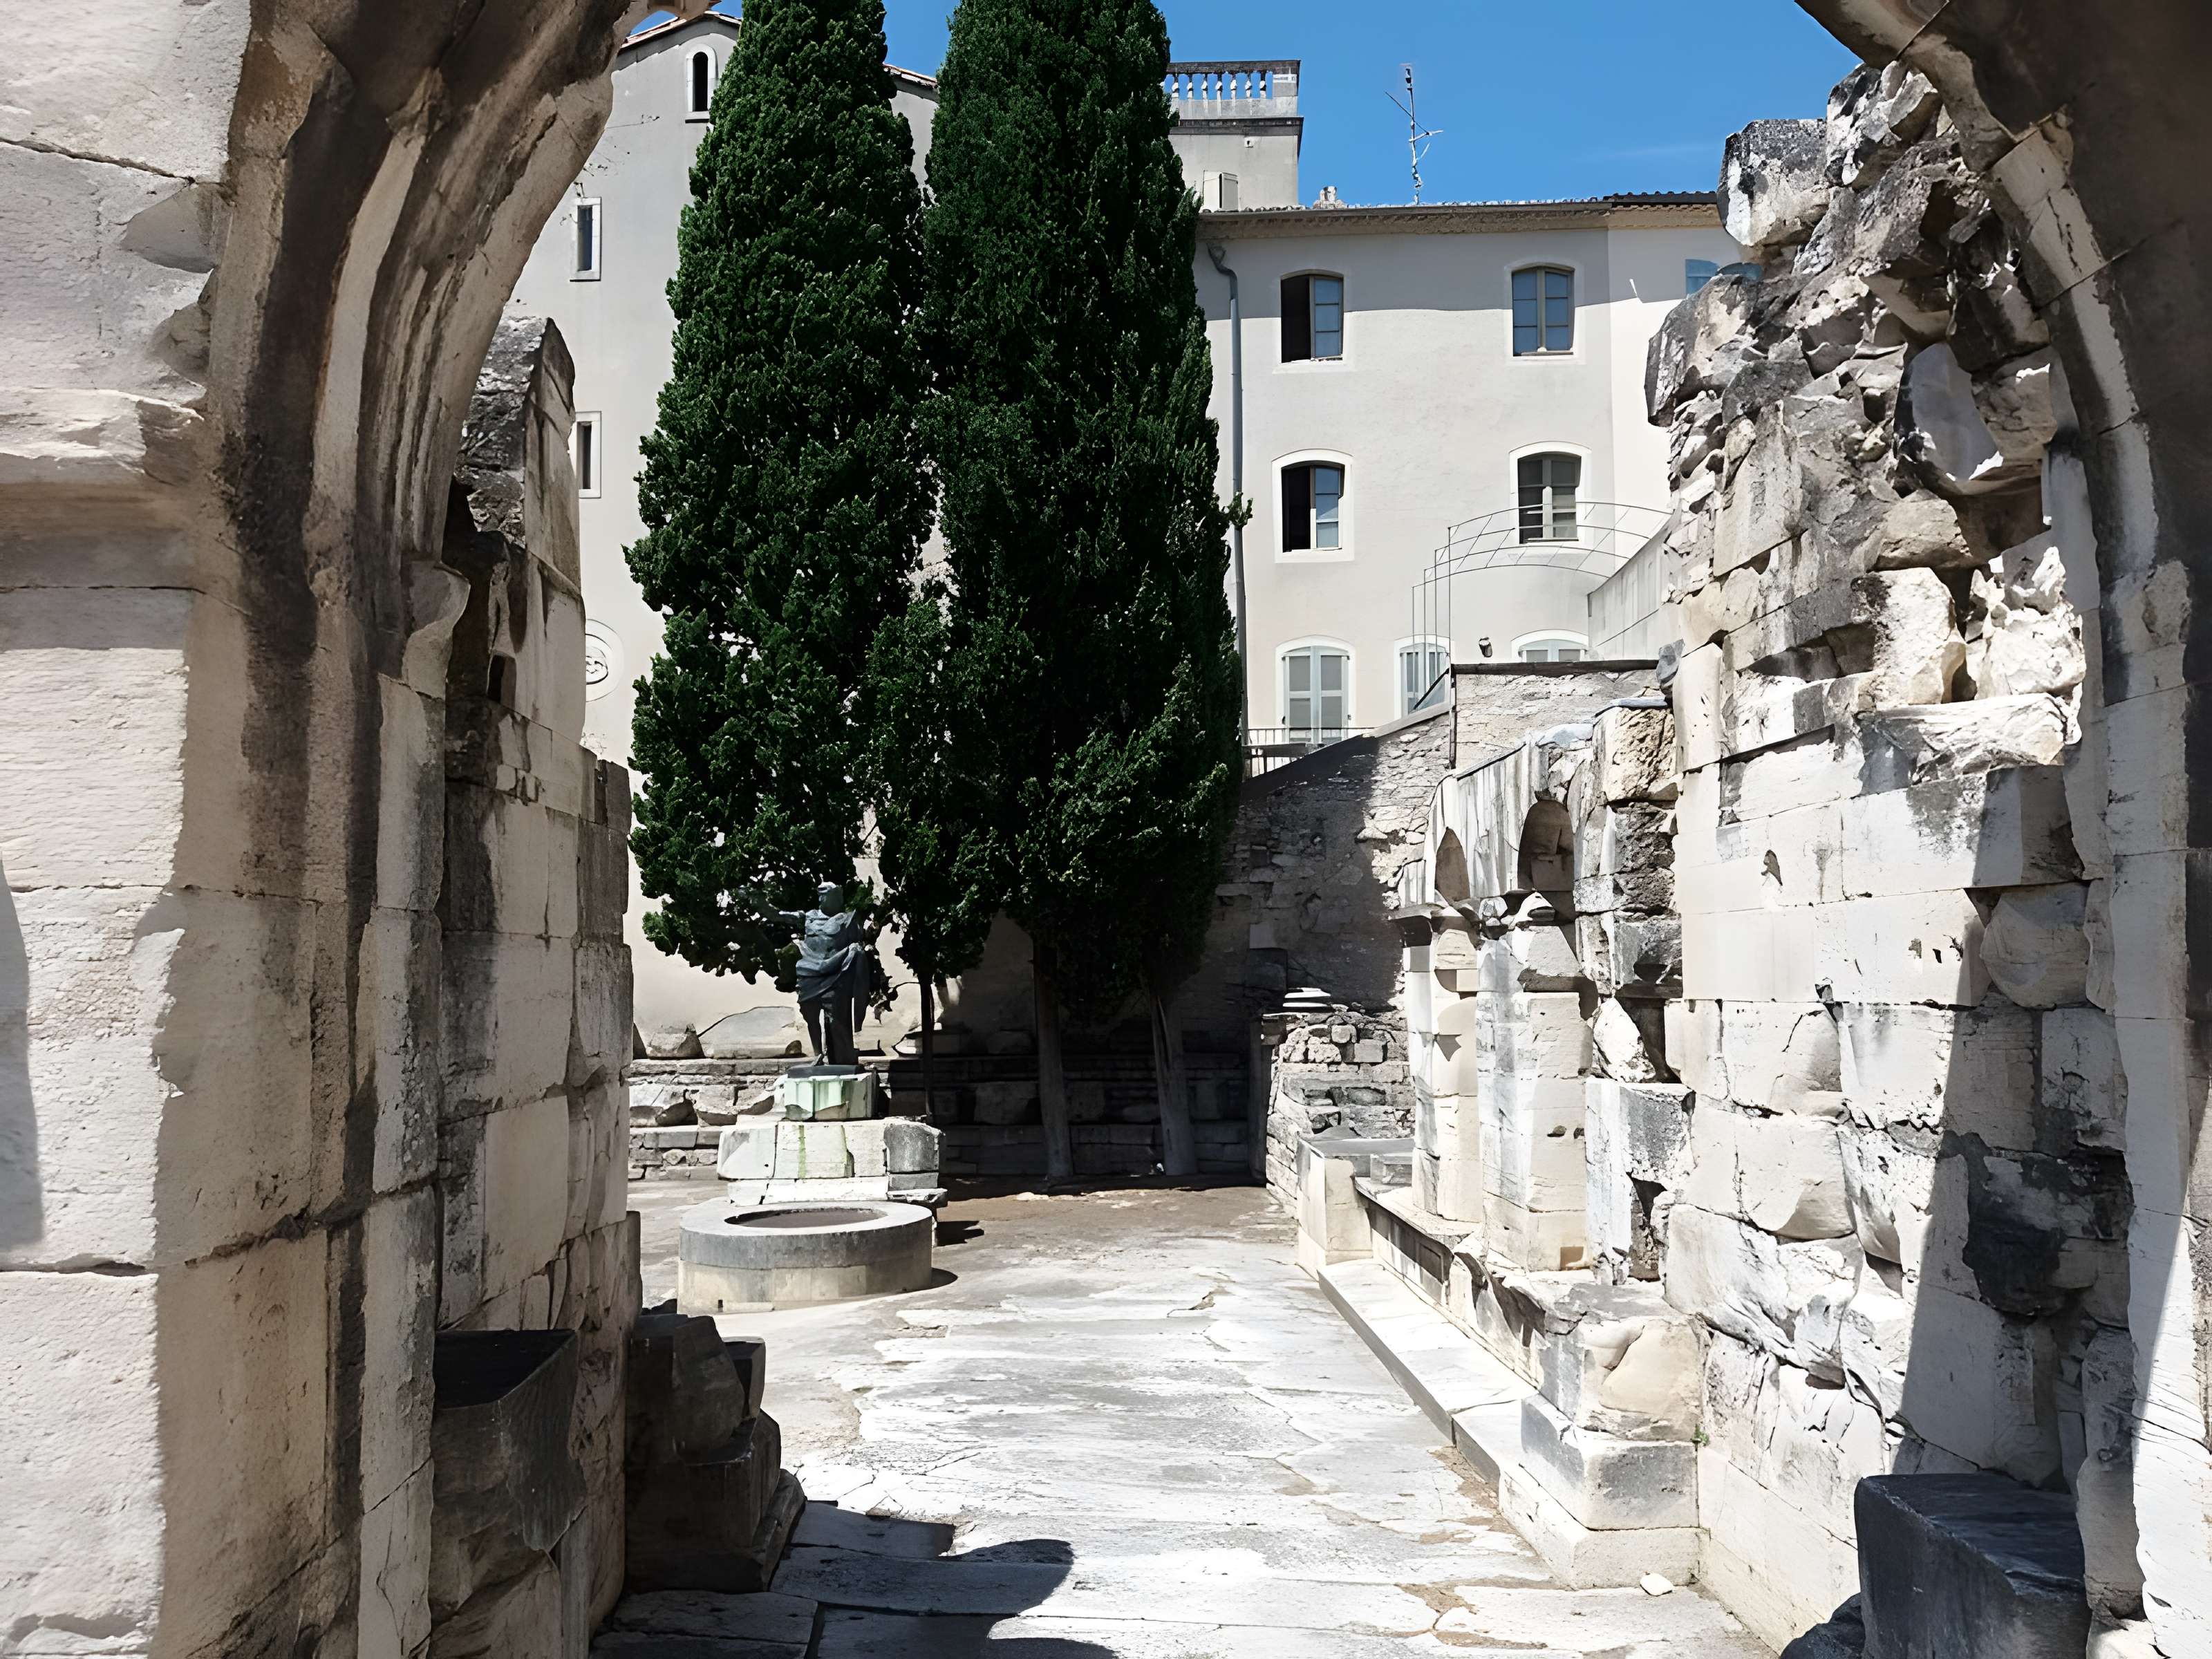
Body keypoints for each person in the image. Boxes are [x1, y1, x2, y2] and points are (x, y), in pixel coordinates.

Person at [780, 882, 872, 1067]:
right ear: (822, 897)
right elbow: (780, 916)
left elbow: (856, 945)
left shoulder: (847, 920)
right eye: (833, 897)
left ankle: (841, 1058)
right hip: (809, 974)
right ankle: (817, 1055)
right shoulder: (808, 918)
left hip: (836, 975)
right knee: (811, 1017)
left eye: (838, 897)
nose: (838, 900)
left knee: (837, 1020)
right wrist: (761, 904)